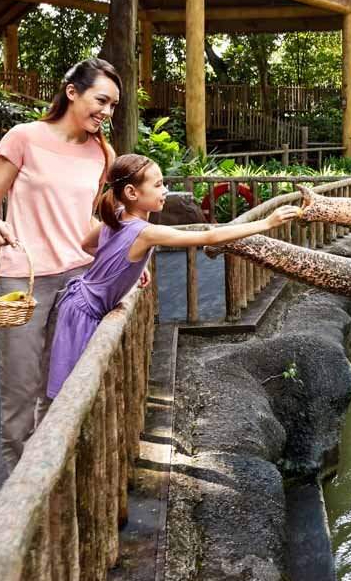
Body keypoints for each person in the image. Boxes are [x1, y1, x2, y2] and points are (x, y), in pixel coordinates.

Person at [44, 154, 302, 399]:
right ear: (132, 193)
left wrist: (130, 266)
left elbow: (88, 245)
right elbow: (209, 237)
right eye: (157, 185)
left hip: (78, 302)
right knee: (73, 391)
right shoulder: (144, 231)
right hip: (83, 313)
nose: (165, 190)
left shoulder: (119, 216)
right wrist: (267, 223)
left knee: (81, 385)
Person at [0, 59, 121, 470]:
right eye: (101, 101)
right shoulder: (23, 138)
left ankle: (52, 476)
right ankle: (17, 486)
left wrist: (121, 259)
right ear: (72, 92)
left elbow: (86, 221)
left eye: (112, 106)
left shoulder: (101, 153)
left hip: (77, 280)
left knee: (61, 385)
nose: (106, 112)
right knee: (20, 388)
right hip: (22, 278)